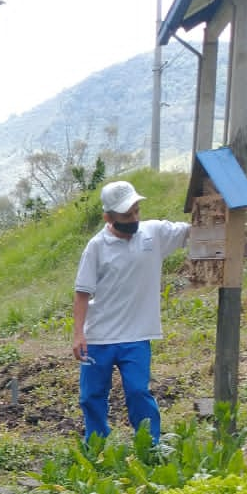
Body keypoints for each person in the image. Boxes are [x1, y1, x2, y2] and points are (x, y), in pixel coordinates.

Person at [71, 180, 191, 444]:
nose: (134, 218)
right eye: (127, 215)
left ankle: (149, 446)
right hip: (99, 336)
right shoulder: (96, 247)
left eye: (137, 211)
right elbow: (82, 293)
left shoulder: (154, 233)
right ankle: (97, 447)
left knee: (138, 392)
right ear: (108, 217)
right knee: (92, 396)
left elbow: (193, 231)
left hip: (137, 335)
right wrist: (78, 334)